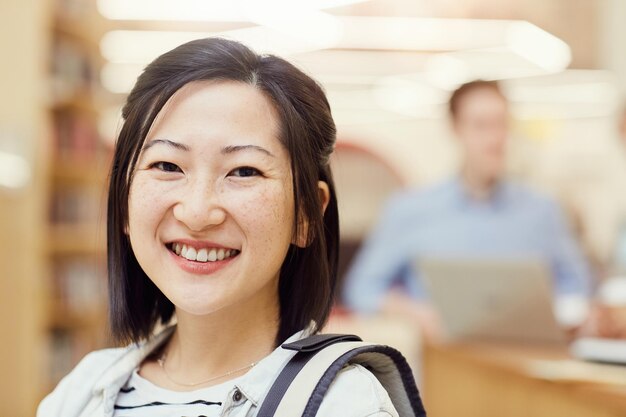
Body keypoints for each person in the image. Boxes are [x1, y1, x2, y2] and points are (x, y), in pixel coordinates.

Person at [37, 38, 402, 416]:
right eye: (167, 166)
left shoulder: (343, 404)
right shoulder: (81, 392)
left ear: (307, 215)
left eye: (244, 171)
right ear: (124, 200)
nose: (196, 213)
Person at [343, 80, 592, 340]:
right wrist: (415, 312)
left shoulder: (543, 211)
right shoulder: (410, 209)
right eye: (481, 125)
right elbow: (362, 288)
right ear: (455, 129)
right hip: (444, 364)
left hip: (526, 362)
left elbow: (579, 286)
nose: (495, 139)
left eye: (502, 124)